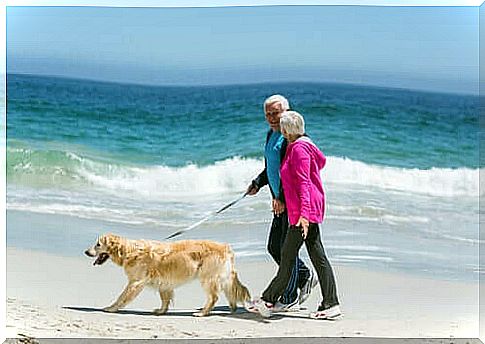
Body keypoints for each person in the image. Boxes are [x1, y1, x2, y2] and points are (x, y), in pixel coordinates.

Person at [247, 110, 341, 320]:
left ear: (288, 130)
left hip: (302, 214)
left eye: (282, 127)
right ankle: (331, 303)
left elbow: (304, 185)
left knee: (287, 257)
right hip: (305, 211)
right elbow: (320, 164)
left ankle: (268, 300)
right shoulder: (300, 145)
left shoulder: (299, 149)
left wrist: (304, 217)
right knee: (317, 257)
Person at [246, 95, 317, 310]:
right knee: (273, 248)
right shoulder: (270, 135)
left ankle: (288, 297)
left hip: (290, 203)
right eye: (267, 114)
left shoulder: (291, 139)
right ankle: (304, 276)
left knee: (287, 252)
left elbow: (294, 176)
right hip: (279, 203)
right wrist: (258, 182)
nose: (271, 118)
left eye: (275, 113)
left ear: (286, 112)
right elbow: (272, 168)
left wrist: (282, 199)